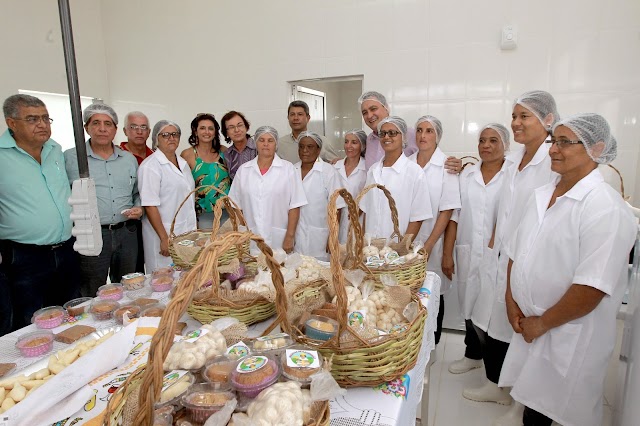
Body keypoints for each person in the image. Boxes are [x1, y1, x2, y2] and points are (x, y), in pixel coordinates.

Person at [499, 113, 635, 426]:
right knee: (532, 401)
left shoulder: (605, 208)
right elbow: (516, 253)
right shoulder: (543, 195)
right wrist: (511, 301)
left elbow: (592, 287)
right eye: (553, 141)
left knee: (561, 409)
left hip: (566, 332)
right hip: (531, 324)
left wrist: (542, 323)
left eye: (564, 142)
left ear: (596, 149)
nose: (553, 150)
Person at [465, 91, 560, 422]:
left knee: (524, 333)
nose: (517, 123)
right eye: (515, 116)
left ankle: (523, 404)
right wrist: (494, 247)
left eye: (525, 116)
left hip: (530, 261)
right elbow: (505, 210)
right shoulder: (518, 159)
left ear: (548, 120)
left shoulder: (551, 160)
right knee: (496, 324)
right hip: (503, 256)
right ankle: (497, 385)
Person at [0, 94, 80, 331]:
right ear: (11, 123)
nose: (43, 124)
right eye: (33, 119)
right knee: (30, 322)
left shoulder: (55, 150)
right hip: (25, 256)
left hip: (66, 248)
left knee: (69, 314)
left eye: (46, 118)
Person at [445, 124, 510, 376]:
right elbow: (455, 216)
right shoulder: (467, 175)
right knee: (469, 303)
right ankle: (472, 354)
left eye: (494, 140)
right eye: (482, 140)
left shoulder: (513, 174)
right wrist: (447, 252)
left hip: (499, 256)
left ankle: (496, 372)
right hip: (469, 250)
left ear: (506, 145)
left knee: (494, 310)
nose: (486, 145)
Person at [65, 103, 142, 297]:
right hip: (92, 233)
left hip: (126, 233)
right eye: (96, 123)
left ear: (115, 129)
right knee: (92, 289)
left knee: (128, 286)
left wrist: (139, 208)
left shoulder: (128, 159)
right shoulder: (72, 158)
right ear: (86, 127)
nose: (102, 128)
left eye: (108, 124)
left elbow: (137, 192)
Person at [409, 115, 461, 345]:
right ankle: (410, 343)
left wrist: (429, 244)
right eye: (419, 130)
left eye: (429, 131)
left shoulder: (446, 165)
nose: (423, 135)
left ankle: (432, 345)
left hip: (434, 241)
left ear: (437, 135)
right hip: (407, 241)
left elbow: (447, 210)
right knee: (408, 293)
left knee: (432, 294)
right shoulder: (407, 163)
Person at [229, 126, 307, 253]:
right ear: (255, 143)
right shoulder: (244, 170)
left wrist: (290, 236)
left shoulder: (288, 169)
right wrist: (243, 231)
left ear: (276, 144)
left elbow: (295, 206)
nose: (266, 144)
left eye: (270, 140)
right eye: (261, 140)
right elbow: (236, 206)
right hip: (251, 238)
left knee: (280, 270)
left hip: (279, 238)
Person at [360, 116, 432, 240]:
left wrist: (402, 248)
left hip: (396, 249)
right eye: (383, 133)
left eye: (392, 133)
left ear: (403, 137)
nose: (386, 137)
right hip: (371, 250)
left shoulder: (414, 172)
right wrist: (362, 243)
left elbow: (417, 217)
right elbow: (367, 210)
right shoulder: (373, 170)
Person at [138, 120, 197, 271]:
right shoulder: (150, 166)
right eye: (165, 135)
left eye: (174, 134)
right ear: (156, 139)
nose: (171, 138)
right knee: (164, 280)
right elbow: (150, 205)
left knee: (185, 278)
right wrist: (164, 238)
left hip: (185, 232)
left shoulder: (183, 163)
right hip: (164, 234)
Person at [293, 131, 345, 260]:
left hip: (320, 237)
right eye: (301, 146)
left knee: (321, 273)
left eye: (310, 147)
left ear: (318, 150)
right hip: (296, 236)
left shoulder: (328, 172)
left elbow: (337, 207)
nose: (305, 150)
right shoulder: (291, 170)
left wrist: (333, 236)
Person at [181, 113, 230, 229]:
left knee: (227, 246)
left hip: (227, 213)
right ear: (195, 131)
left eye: (210, 128)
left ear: (215, 132)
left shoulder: (224, 151)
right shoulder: (187, 155)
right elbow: (183, 187)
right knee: (206, 246)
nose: (206, 132)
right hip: (202, 216)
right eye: (202, 128)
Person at [119, 110, 153, 273]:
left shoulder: (155, 157)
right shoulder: (118, 157)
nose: (139, 131)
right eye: (133, 127)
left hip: (154, 220)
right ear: (125, 131)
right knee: (133, 271)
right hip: (128, 224)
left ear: (149, 132)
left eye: (143, 127)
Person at [334, 129, 367, 243]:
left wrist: (358, 211)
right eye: (346, 141)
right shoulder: (335, 167)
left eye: (354, 142)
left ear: (362, 145)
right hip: (336, 219)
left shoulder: (367, 168)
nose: (349, 146)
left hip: (358, 219)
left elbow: (369, 195)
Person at [220, 110, 256, 180]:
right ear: (226, 133)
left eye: (239, 125)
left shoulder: (260, 148)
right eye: (231, 127)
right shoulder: (227, 154)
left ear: (246, 127)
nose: (236, 130)